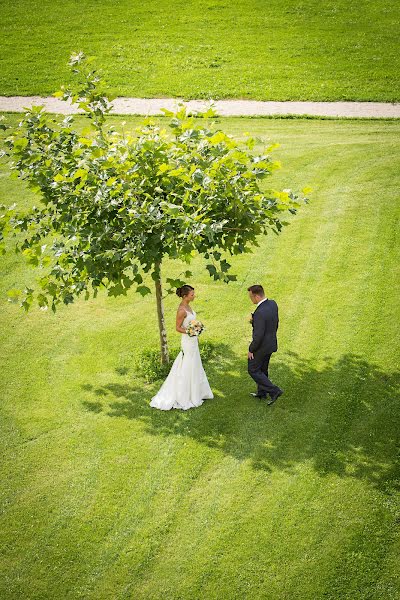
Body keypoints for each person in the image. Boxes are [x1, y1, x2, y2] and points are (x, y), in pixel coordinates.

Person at [150, 284, 214, 411]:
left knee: (195, 363)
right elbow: (178, 328)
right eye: (192, 294)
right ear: (185, 296)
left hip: (193, 340)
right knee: (188, 364)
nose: (194, 296)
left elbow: (190, 322)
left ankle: (197, 392)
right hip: (187, 341)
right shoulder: (181, 310)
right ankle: (185, 394)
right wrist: (191, 332)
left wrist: (196, 330)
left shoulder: (188, 306)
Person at [247, 284, 283, 405]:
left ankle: (274, 391)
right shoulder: (273, 304)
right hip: (271, 343)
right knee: (263, 369)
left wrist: (251, 349)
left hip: (261, 346)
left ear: (256, 296)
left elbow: (258, 336)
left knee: (253, 369)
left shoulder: (260, 312)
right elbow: (275, 323)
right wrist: (255, 321)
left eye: (251, 296)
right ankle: (262, 393)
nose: (250, 299)